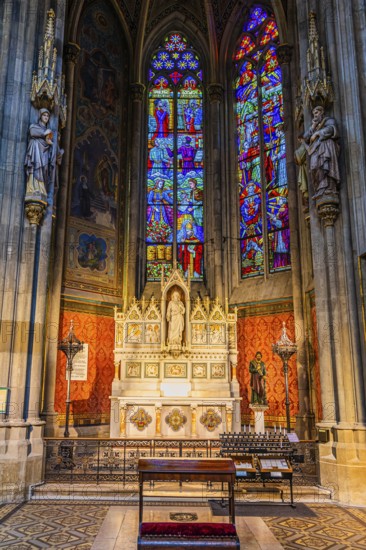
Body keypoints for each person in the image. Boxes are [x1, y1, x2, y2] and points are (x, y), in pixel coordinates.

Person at [302, 105, 340, 198]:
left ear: (322, 113)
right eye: (313, 113)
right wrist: (313, 127)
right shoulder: (314, 126)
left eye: (316, 113)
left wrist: (317, 133)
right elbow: (305, 138)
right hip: (315, 151)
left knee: (325, 167)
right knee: (314, 167)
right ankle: (320, 188)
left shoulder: (328, 120)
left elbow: (331, 129)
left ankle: (329, 188)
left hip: (326, 147)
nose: (315, 115)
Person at [24, 108, 53, 198]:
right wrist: (44, 133)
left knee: (43, 169)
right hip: (35, 150)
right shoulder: (34, 126)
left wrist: (51, 144)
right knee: (35, 166)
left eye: (47, 116)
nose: (46, 117)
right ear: (40, 116)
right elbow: (32, 132)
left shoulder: (49, 131)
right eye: (44, 115)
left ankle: (41, 189)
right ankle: (32, 188)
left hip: (44, 153)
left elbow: (50, 142)